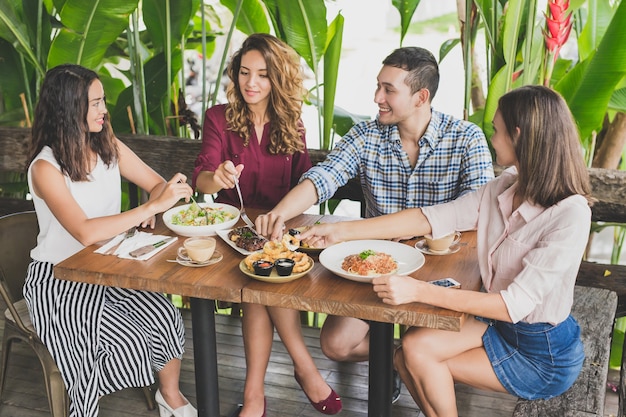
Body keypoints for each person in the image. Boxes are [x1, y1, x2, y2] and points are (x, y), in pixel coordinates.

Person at [299, 85, 591, 417]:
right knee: (405, 352)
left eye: (496, 130)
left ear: (518, 135)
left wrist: (418, 290)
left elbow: (512, 305)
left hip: (541, 350)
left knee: (417, 355)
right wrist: (340, 232)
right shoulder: (507, 185)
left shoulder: (571, 213)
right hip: (496, 326)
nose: (492, 138)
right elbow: (431, 217)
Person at [255, 46, 494, 400]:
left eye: (388, 89)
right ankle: (397, 359)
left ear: (420, 97)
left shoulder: (466, 138)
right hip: (372, 269)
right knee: (335, 344)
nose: (377, 97)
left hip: (440, 275)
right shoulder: (366, 135)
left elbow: (478, 210)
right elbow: (322, 177)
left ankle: (404, 359)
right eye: (377, 87)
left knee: (419, 343)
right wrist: (280, 212)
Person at [24, 64, 197, 417]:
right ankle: (84, 408)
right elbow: (84, 231)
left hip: (109, 266)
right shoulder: (45, 167)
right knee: (123, 341)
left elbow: (156, 184)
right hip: (59, 280)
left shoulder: (107, 145)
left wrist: (162, 196)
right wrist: (149, 207)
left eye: (103, 101)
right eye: (96, 103)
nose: (104, 110)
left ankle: (171, 397)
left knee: (164, 313)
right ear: (68, 109)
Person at [192, 33, 341, 417]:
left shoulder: (292, 122)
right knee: (261, 276)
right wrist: (219, 177)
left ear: (277, 79)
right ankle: (304, 368)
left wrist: (281, 223)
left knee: (262, 277)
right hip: (233, 232)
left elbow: (304, 184)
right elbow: (201, 179)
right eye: (244, 73)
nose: (251, 83)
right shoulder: (218, 118)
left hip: (278, 231)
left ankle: (255, 393)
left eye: (262, 74)